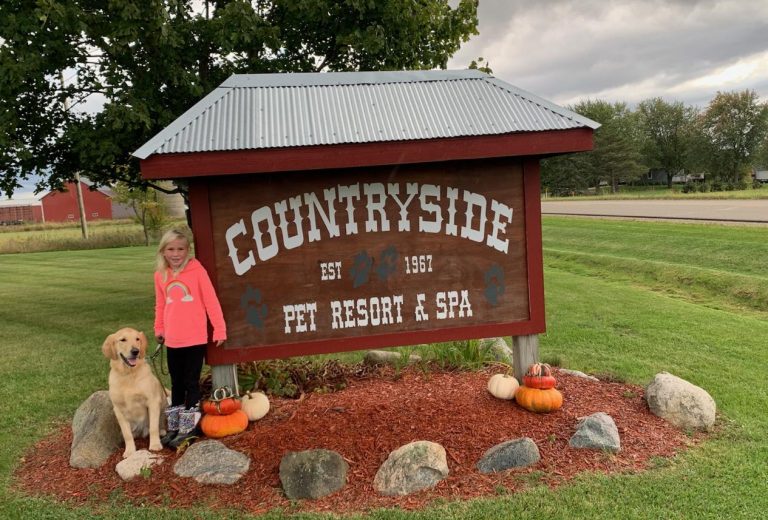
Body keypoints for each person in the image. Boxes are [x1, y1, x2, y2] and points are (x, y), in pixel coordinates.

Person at [153, 228, 226, 448]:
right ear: (163, 251)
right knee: (176, 384)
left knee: (190, 382)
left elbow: (210, 301)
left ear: (188, 250)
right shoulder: (161, 275)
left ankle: (189, 427)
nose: (176, 254)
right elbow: (161, 304)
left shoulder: (197, 271)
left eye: (180, 249)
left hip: (194, 338)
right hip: (173, 339)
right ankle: (174, 426)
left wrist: (219, 328)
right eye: (171, 249)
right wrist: (159, 327)